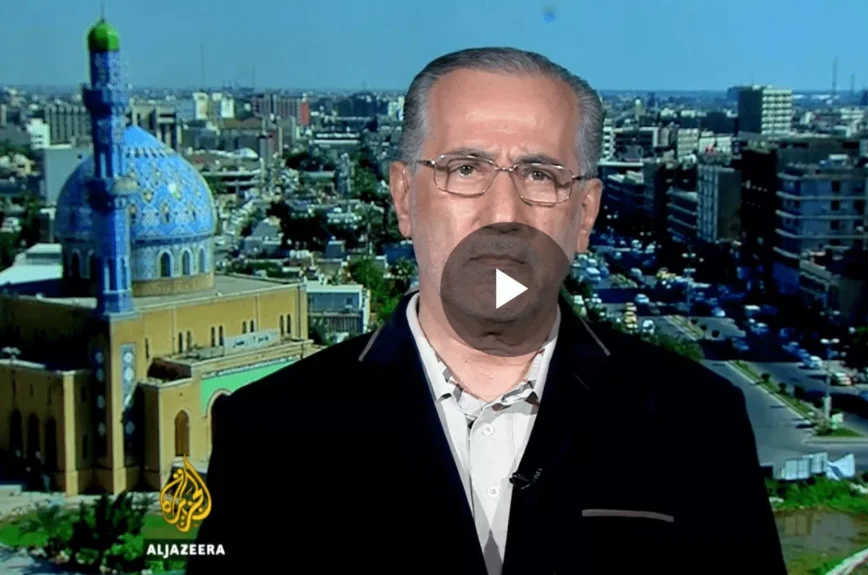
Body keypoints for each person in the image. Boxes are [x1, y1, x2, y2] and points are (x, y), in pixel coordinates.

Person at [189, 48, 785, 575]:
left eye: (540, 175)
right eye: (465, 169)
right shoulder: (270, 431)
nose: (502, 211)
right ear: (402, 198)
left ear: (583, 214)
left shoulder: (696, 422)